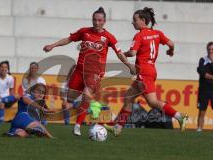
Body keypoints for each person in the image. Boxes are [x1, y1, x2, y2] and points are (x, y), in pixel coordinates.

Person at [43, 7, 134, 136]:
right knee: (69, 100)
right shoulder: (84, 31)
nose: (96, 23)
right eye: (94, 20)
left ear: (104, 21)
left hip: (95, 74)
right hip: (79, 72)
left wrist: (129, 66)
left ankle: (78, 126)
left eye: (99, 20)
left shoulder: (109, 37)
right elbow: (69, 39)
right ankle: (99, 115)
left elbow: (119, 53)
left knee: (86, 94)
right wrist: (53, 45)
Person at [104, 7, 188, 136]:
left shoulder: (139, 35)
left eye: (135, 20)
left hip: (144, 72)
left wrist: (123, 53)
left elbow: (133, 52)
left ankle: (179, 116)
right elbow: (171, 44)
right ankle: (118, 128)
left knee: (152, 102)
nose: (133, 23)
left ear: (143, 20)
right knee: (128, 98)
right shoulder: (158, 33)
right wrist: (170, 52)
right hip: (151, 70)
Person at [196, 42, 213, 132]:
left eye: (212, 49)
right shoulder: (203, 59)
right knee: (202, 110)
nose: (210, 51)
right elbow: (202, 73)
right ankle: (199, 128)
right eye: (209, 49)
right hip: (204, 89)